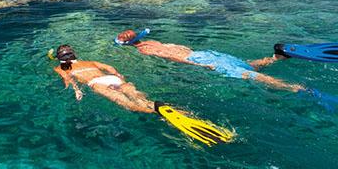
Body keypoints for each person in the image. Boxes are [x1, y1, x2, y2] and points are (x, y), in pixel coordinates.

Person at [51, 44, 235, 145]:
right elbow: (109, 67)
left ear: (61, 58)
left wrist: (76, 91)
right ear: (75, 54)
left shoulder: (59, 67)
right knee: (142, 99)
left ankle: (159, 110)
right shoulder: (89, 61)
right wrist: (118, 75)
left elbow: (68, 79)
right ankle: (161, 108)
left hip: (97, 84)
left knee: (129, 105)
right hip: (112, 79)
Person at [115, 30, 305, 93]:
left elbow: (172, 55)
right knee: (245, 68)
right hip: (201, 55)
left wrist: (201, 63)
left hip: (198, 56)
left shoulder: (147, 45)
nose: (125, 33)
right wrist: (201, 62)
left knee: (244, 70)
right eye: (124, 35)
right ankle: (282, 70)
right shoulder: (149, 44)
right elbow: (174, 53)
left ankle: (290, 83)